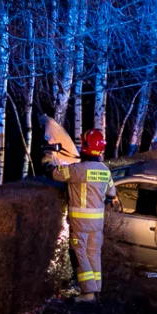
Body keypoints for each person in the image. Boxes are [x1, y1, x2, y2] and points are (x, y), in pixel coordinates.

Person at [49, 128, 116, 303]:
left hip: (80, 222)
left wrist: (47, 158)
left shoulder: (77, 170)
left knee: (80, 253)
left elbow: (55, 174)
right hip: (97, 223)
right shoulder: (104, 171)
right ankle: (96, 290)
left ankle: (88, 293)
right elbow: (111, 194)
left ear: (86, 147)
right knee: (94, 253)